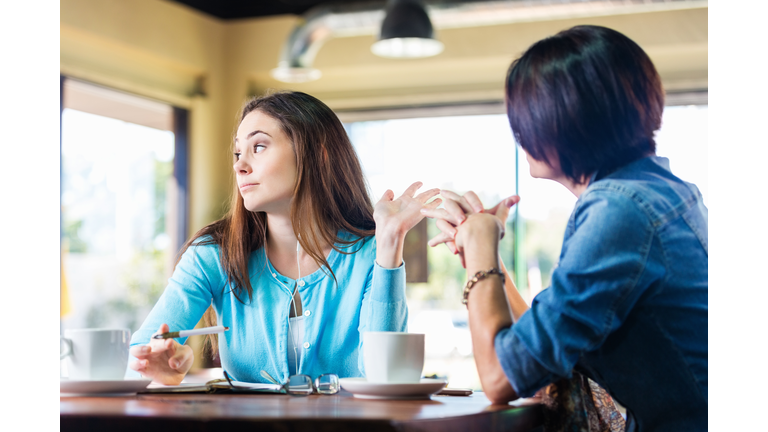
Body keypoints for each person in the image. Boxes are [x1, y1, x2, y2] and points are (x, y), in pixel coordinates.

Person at [422, 25, 707, 431]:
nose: (519, 133)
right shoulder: (661, 191)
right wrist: (482, 249)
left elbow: (502, 377)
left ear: (566, 118)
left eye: (524, 116)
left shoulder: (617, 212)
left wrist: (480, 250)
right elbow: (537, 345)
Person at [128, 91, 440, 385]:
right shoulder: (213, 254)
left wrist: (388, 244)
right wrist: (157, 361)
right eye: (237, 152)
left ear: (319, 154)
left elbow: (386, 376)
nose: (240, 164)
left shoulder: (370, 255)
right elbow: (144, 347)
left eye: (258, 147)